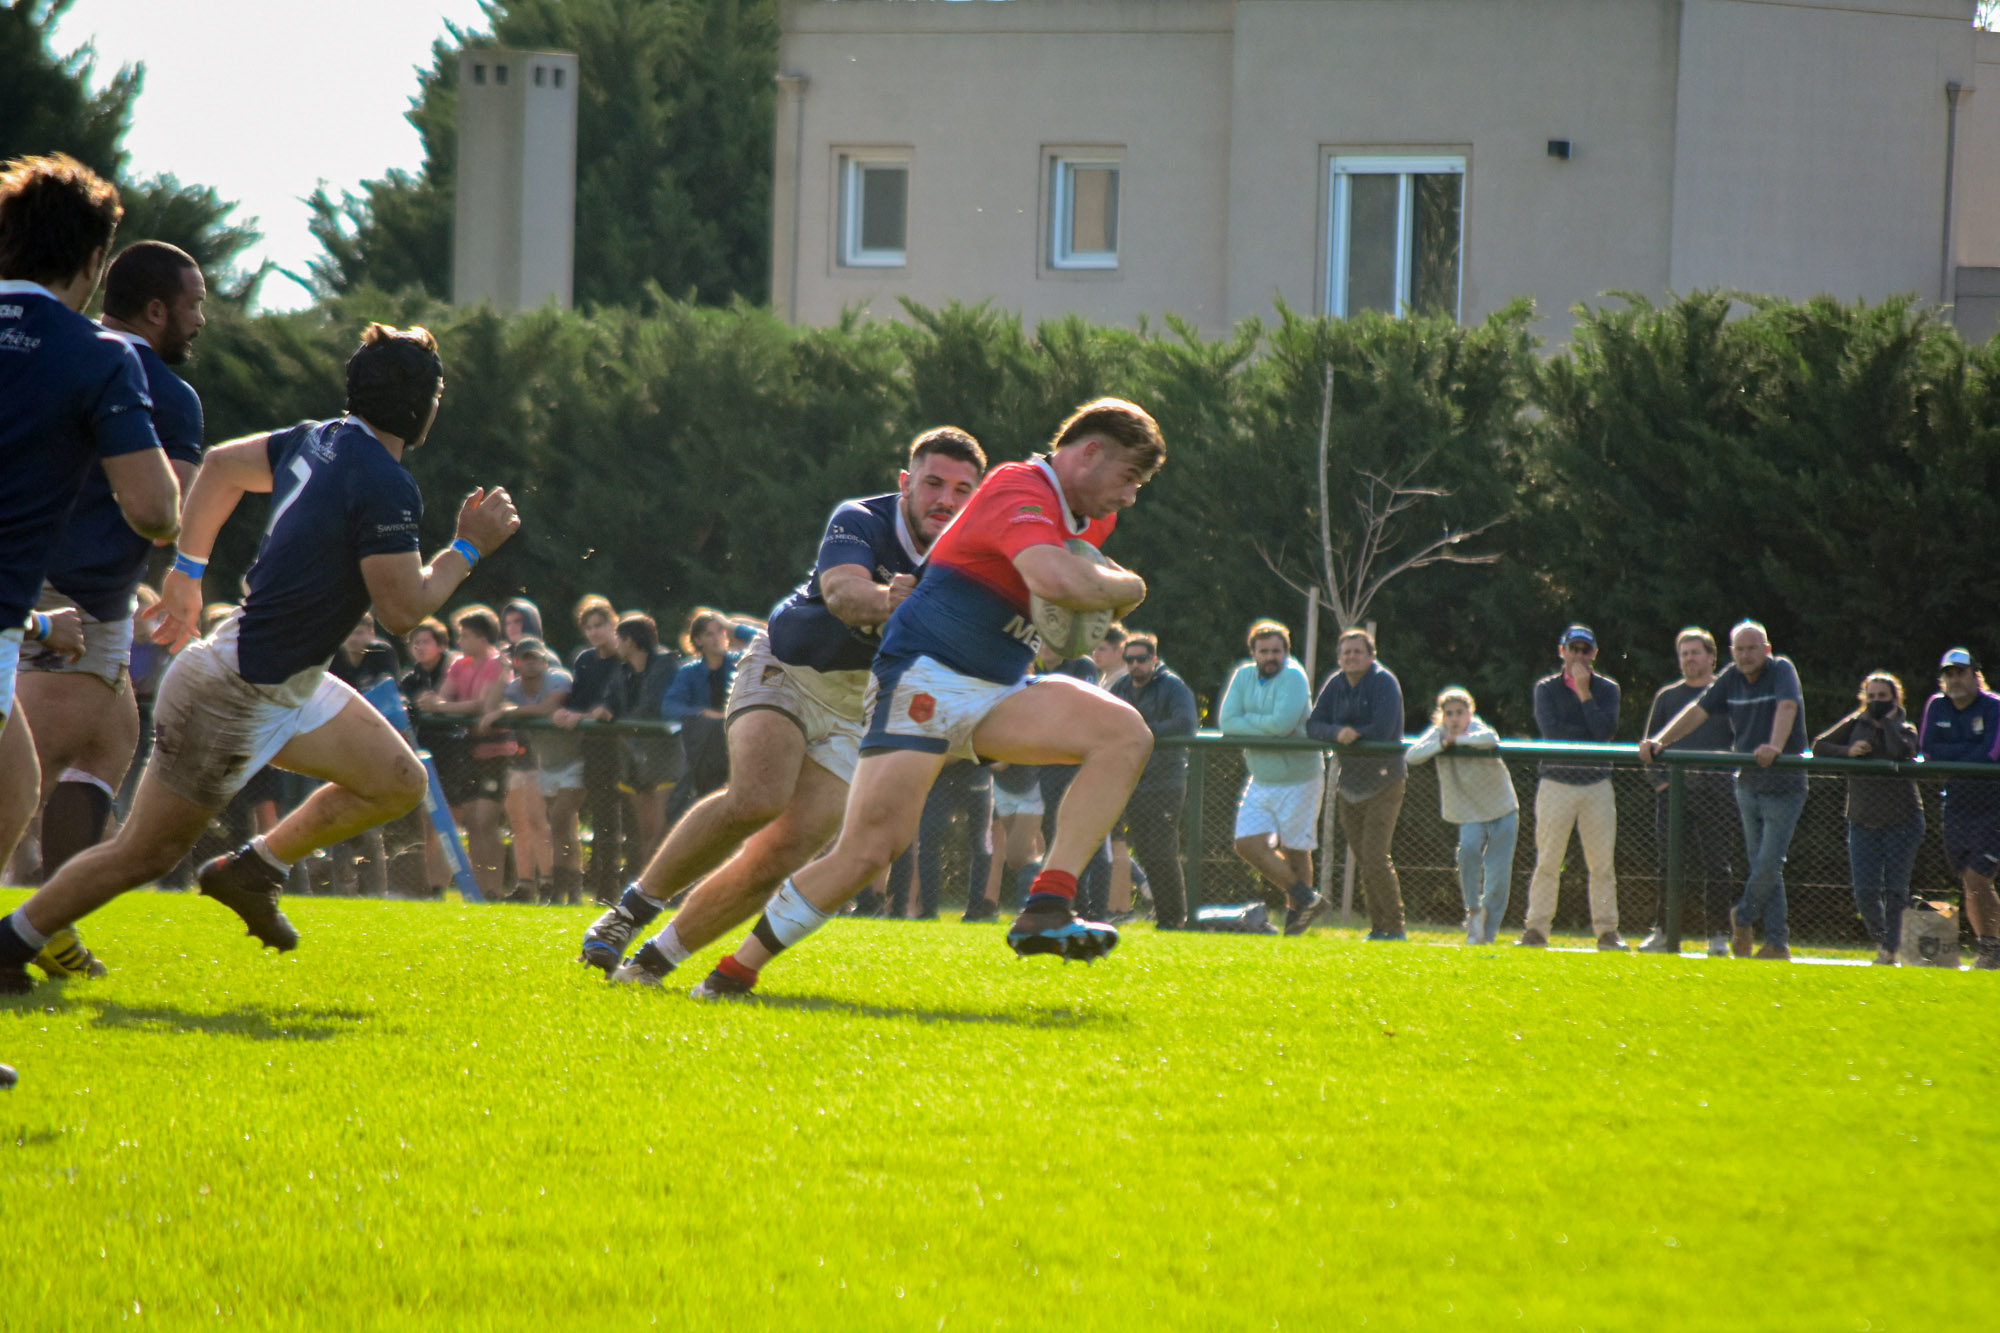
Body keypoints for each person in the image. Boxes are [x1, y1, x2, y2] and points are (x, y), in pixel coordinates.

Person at [0, 323, 520, 992]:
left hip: (280, 680)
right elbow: (400, 609)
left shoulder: (320, 437)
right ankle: (13, 940)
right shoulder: (387, 481)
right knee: (145, 851)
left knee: (397, 780)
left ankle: (252, 870)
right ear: (424, 407)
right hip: (232, 694)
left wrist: (188, 569)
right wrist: (469, 547)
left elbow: (218, 467)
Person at [679, 398, 1161, 998]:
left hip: (999, 689)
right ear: (1089, 452)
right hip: (924, 676)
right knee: (867, 852)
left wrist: (1084, 603)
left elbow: (1062, 609)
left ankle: (1047, 904)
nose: (1130, 497)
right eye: (1129, 479)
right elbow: (1060, 581)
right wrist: (1130, 585)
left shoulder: (1089, 520)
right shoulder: (1019, 484)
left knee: (1124, 734)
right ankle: (728, 974)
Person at [581, 428, 984, 976]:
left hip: (858, 712)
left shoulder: (975, 556)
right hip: (788, 669)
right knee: (757, 798)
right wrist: (894, 601)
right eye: (934, 483)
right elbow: (843, 593)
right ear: (905, 483)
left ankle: (651, 965)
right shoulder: (861, 518)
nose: (947, 500)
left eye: (963, 489)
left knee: (782, 853)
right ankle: (626, 914)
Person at [0, 154, 180, 987]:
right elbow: (152, 507)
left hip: (21, 619)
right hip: (17, 611)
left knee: (16, 788)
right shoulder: (97, 355)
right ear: (92, 262)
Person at [19, 241, 207, 888]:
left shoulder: (54, 351)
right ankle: (22, 937)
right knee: (22, 774)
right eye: (194, 305)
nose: (201, 319)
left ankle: (43, 923)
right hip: (66, 604)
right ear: (156, 310)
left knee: (110, 742)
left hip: (67, 595)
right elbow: (163, 515)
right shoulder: (168, 394)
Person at [1641, 621, 1807, 961]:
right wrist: (1661, 741)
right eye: (1740, 649)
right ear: (1731, 653)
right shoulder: (1730, 678)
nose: (1745, 655)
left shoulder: (1781, 670)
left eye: (1752, 648)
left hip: (1784, 784)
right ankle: (1776, 942)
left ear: (1766, 649)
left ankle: (1741, 916)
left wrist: (1774, 746)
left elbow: (1787, 707)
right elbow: (1697, 712)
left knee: (1768, 862)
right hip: (1747, 784)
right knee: (1763, 864)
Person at [1520, 624, 1624, 951]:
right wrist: (1584, 726)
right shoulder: (1545, 689)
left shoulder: (1608, 689)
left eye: (1585, 650)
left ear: (1593, 654)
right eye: (1573, 648)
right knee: (1548, 860)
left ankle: (1608, 933)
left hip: (1597, 785)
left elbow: (1603, 732)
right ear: (1561, 651)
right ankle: (1536, 931)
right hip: (1556, 783)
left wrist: (1584, 692)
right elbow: (1553, 733)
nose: (1579, 655)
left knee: (1602, 864)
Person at [1637, 628, 1737, 955]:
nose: (1689, 658)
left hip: (1717, 792)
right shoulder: (1667, 696)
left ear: (1711, 657)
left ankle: (1718, 936)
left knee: (1716, 864)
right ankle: (1664, 932)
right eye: (1684, 653)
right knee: (1669, 864)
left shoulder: (1725, 694)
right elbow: (1649, 745)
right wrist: (1663, 784)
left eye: (1695, 652)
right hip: (1673, 794)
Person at [1220, 621, 1324, 934]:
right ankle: (1307, 898)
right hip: (1261, 777)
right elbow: (1226, 721)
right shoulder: (1242, 675)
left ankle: (1296, 922)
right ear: (1252, 652)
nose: (1270, 657)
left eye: (1276, 651)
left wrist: (1247, 721)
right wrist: (1262, 723)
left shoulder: (1293, 676)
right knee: (1246, 843)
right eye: (1263, 651)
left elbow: (1282, 726)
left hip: (1299, 777)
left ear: (1286, 652)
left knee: (1295, 849)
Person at [1815, 673, 1922, 966]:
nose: (1876, 702)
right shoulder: (1854, 724)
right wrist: (1848, 750)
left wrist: (1886, 721)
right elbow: (1819, 746)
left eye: (1882, 697)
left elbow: (1901, 750)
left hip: (1902, 819)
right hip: (1861, 818)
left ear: (1895, 699)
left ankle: (1889, 951)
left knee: (1895, 888)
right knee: (1864, 891)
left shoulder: (1905, 727)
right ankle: (1884, 940)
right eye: (1871, 697)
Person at [1306, 628, 1407, 939]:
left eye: (1358, 652)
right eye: (1346, 652)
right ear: (1339, 657)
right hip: (1348, 783)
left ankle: (1394, 926)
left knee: (1376, 854)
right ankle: (1378, 926)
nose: (1351, 657)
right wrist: (1337, 733)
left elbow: (1385, 726)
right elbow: (1313, 725)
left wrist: (1354, 733)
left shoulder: (1383, 681)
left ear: (1371, 655)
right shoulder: (1335, 684)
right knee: (1364, 857)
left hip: (1385, 780)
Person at [1406, 687, 1517, 945]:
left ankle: (1485, 935)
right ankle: (1473, 912)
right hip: (1469, 811)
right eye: (1449, 713)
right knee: (1467, 851)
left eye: (1460, 712)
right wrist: (1439, 744)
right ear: (1441, 716)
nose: (1455, 718)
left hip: (1502, 807)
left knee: (1498, 874)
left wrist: (1458, 741)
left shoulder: (1478, 729)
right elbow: (1412, 755)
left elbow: (1491, 739)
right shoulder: (1439, 733)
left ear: (1470, 713)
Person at [417, 608, 512, 901]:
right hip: (468, 751)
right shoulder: (460, 665)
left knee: (485, 822)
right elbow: (444, 694)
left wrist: (440, 707)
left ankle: (493, 888)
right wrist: (433, 701)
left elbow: (479, 706)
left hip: (497, 751)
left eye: (465, 635)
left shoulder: (498, 664)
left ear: (482, 637)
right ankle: (478, 892)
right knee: (472, 822)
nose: (460, 640)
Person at [1917, 648, 2000, 970]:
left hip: (1993, 805)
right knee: (1969, 880)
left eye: (1960, 672)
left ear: (1975, 675)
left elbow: (1992, 752)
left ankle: (1993, 947)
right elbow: (1928, 749)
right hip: (1956, 804)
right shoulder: (1936, 705)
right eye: (1948, 674)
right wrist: (1966, 754)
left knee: (1980, 877)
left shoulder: (1993, 706)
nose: (1954, 679)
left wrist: (1952, 759)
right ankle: (1988, 950)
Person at [1107, 632, 1196, 930]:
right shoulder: (1120, 687)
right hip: (1132, 780)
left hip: (1166, 780)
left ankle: (1175, 916)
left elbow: (1186, 723)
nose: (1135, 665)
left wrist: (1142, 730)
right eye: (1129, 659)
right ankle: (1164, 913)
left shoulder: (1171, 686)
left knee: (1162, 849)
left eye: (1141, 659)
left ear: (1153, 660)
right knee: (1144, 850)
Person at [491, 637, 579, 903]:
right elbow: (495, 705)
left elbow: (547, 707)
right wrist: (502, 674)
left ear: (545, 660)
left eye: (536, 658)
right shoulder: (514, 686)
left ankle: (555, 885)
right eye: (525, 658)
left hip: (568, 759)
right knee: (524, 823)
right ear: (517, 662)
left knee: (555, 824)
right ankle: (529, 885)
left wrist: (509, 712)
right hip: (534, 758)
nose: (531, 663)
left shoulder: (558, 678)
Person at [552, 595, 624, 903]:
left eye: (600, 625)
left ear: (613, 624)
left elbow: (614, 703)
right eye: (589, 627)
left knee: (626, 821)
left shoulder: (626, 659)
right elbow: (579, 700)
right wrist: (563, 711)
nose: (595, 632)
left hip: (626, 749)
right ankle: (602, 888)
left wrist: (584, 714)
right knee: (602, 819)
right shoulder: (585, 660)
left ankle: (622, 887)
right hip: (595, 750)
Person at [602, 613, 682, 869]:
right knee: (646, 830)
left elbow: (652, 706)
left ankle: (659, 887)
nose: (616, 644)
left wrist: (622, 723)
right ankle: (646, 887)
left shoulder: (666, 664)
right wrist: (603, 709)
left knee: (662, 828)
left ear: (630, 640)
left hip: (664, 755)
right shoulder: (622, 670)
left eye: (618, 638)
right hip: (634, 757)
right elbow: (610, 699)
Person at [662, 607, 740, 822]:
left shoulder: (741, 663)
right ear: (697, 639)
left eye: (721, 632)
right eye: (710, 633)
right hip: (704, 753)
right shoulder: (689, 672)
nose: (717, 639)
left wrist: (734, 627)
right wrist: (701, 713)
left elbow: (766, 644)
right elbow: (668, 706)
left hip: (739, 747)